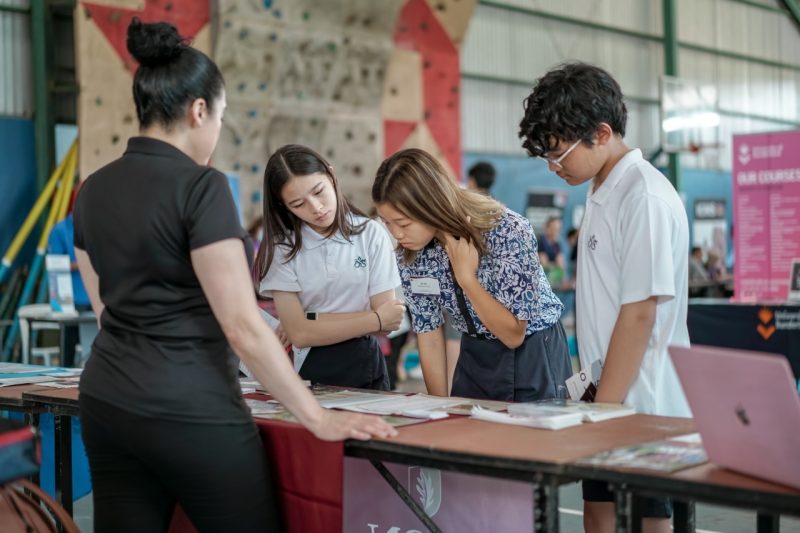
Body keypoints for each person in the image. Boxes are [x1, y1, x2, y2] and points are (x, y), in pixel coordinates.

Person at [73, 19, 396, 533]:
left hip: (107, 402)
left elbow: (104, 308)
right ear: (199, 110)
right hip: (190, 406)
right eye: (220, 117)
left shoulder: (92, 190)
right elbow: (242, 326)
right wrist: (317, 416)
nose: (217, 131)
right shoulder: (201, 187)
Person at [519, 61, 690, 533]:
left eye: (559, 153)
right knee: (598, 516)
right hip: (606, 396)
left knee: (644, 520)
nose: (554, 167)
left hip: (641, 406)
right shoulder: (600, 191)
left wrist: (605, 409)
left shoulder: (645, 197)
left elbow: (639, 315)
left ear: (601, 132)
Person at [373, 148, 571, 401]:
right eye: (387, 223)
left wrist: (467, 279)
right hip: (474, 353)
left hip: (532, 351)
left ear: (429, 205)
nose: (397, 234)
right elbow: (428, 332)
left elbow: (513, 335)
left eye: (403, 223)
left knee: (531, 437)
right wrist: (438, 405)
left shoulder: (505, 231)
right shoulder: (411, 254)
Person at [254, 144, 405, 391]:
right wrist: (373, 318)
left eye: (318, 191)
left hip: (363, 361)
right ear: (284, 206)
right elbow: (300, 335)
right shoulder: (283, 248)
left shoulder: (370, 233)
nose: (316, 208)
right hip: (309, 366)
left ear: (332, 175)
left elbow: (389, 323)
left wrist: (310, 319)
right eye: (297, 203)